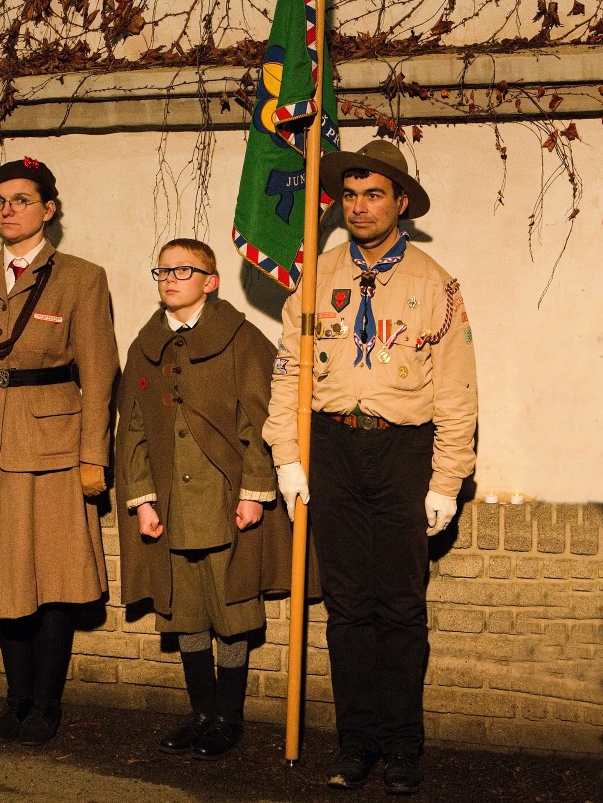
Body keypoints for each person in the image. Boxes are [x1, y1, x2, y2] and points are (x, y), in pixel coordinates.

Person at [263, 140, 477, 795]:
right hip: (332, 450)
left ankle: (403, 746)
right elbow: (289, 374)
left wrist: (446, 481)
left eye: (374, 195)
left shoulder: (436, 285)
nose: (359, 207)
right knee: (348, 607)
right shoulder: (315, 278)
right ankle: (356, 743)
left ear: (400, 203)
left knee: (401, 607)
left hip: (402, 453)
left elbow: (458, 393)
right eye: (351, 195)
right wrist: (287, 456)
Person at [0, 156, 118, 745]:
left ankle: (46, 703)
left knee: (53, 573)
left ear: (49, 210)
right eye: (0, 201)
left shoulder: (81, 277)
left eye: (21, 200)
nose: (8, 210)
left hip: (52, 448)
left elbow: (100, 372)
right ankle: (15, 700)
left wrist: (94, 456)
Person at [116, 238, 291, 760]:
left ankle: (228, 718)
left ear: (210, 282)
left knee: (230, 606)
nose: (170, 279)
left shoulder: (241, 339)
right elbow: (133, 429)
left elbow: (260, 421)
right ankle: (201, 713)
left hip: (224, 500)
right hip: (170, 504)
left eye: (183, 270)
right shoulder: (146, 344)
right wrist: (143, 500)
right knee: (185, 611)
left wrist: (255, 493)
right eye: (163, 270)